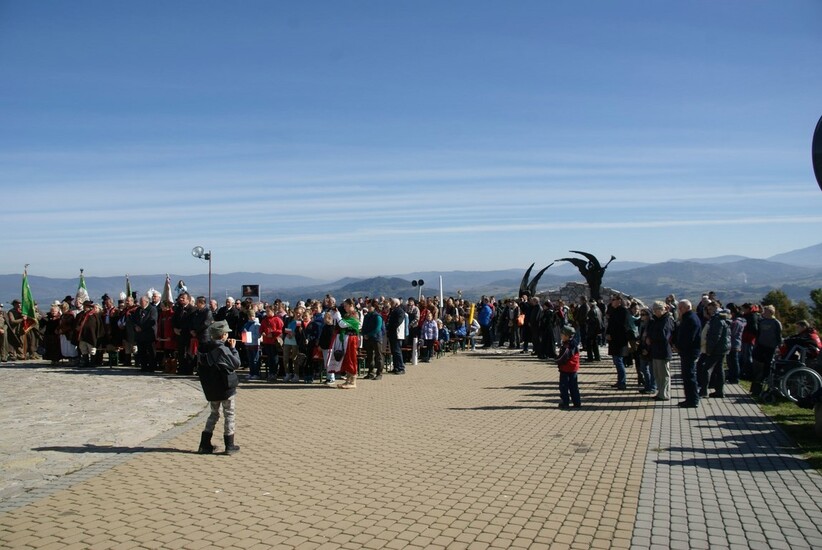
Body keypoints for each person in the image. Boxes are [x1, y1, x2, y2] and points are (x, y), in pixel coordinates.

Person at [196, 320, 241, 455]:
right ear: (223, 335)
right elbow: (236, 364)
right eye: (226, 333)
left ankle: (204, 444)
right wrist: (233, 349)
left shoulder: (202, 349)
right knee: (229, 414)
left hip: (211, 387)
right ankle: (229, 445)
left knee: (214, 414)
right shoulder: (222, 349)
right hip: (225, 387)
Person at [698, 301, 730, 398]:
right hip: (722, 348)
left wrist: (709, 350)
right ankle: (719, 391)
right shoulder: (723, 318)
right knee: (719, 369)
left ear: (716, 308)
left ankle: (703, 391)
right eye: (708, 309)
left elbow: (715, 336)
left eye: (711, 309)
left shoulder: (717, 319)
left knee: (706, 369)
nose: (709, 311)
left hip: (716, 349)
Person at [675, 299, 702, 408]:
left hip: (689, 352)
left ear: (687, 307)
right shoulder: (688, 318)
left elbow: (689, 338)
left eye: (681, 308)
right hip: (687, 351)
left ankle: (693, 400)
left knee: (689, 376)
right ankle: (689, 398)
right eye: (679, 308)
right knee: (687, 376)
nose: (679, 310)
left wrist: (679, 347)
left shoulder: (691, 319)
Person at [750, 305, 782, 397]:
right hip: (760, 346)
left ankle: (766, 388)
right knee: (757, 367)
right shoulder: (762, 321)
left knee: (767, 368)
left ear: (771, 312)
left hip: (770, 347)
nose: (763, 313)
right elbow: (758, 333)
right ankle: (755, 388)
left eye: (766, 311)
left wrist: (778, 346)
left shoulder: (776, 323)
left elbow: (778, 335)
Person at [647, 301, 674, 401]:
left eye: (658, 309)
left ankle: (664, 394)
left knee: (664, 374)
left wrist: (652, 338)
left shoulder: (667, 320)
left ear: (664, 309)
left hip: (663, 351)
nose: (655, 312)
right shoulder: (655, 320)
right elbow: (650, 330)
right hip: (655, 350)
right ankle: (660, 392)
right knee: (657, 374)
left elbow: (664, 335)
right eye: (654, 310)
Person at [331, 299, 361, 389]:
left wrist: (338, 315)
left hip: (351, 339)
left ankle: (353, 382)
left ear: (351, 305)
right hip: (346, 339)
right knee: (347, 359)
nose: (344, 308)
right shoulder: (347, 315)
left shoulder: (355, 315)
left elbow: (342, 324)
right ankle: (348, 380)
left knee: (351, 359)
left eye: (346, 306)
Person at [605, 295, 630, 390]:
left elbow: (622, 326)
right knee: (616, 361)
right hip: (613, 340)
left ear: (619, 301)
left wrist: (612, 334)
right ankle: (619, 381)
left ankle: (622, 382)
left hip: (620, 340)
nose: (612, 301)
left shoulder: (623, 311)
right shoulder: (613, 311)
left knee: (619, 361)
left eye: (613, 300)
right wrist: (608, 333)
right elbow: (610, 324)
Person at [556, 326, 581, 409]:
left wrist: (557, 361)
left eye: (562, 335)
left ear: (567, 336)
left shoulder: (566, 346)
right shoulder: (574, 344)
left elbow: (563, 357)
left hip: (566, 369)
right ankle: (577, 402)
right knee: (574, 387)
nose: (561, 336)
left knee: (564, 387)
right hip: (573, 369)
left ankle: (565, 402)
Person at [133, 296, 158, 372]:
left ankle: (152, 367)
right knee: (141, 351)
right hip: (140, 335)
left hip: (149, 334)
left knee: (150, 351)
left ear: (147, 302)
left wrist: (142, 328)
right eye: (140, 301)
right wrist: (136, 326)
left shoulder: (152, 309)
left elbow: (152, 321)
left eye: (142, 302)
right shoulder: (138, 309)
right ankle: (143, 366)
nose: (140, 303)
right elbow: (134, 320)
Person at [361, 299, 385, 379]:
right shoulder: (367, 316)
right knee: (370, 356)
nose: (368, 307)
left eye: (370, 306)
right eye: (367, 306)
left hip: (376, 338)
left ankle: (379, 373)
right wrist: (363, 334)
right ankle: (370, 372)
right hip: (368, 339)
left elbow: (377, 328)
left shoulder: (377, 316)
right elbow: (364, 326)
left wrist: (368, 335)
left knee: (379, 356)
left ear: (374, 307)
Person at [725, 303, 746, 384]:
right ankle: (731, 376)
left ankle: (735, 378)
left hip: (734, 343)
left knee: (734, 362)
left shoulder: (736, 322)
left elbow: (733, 333)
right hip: (734, 343)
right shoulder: (739, 321)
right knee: (730, 361)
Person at [387, 298, 406, 375]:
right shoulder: (393, 311)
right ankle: (396, 367)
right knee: (394, 351)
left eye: (392, 303)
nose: (391, 304)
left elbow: (398, 322)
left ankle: (401, 367)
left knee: (397, 351)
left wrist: (390, 327)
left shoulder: (400, 311)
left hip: (397, 333)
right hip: (392, 333)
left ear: (396, 304)